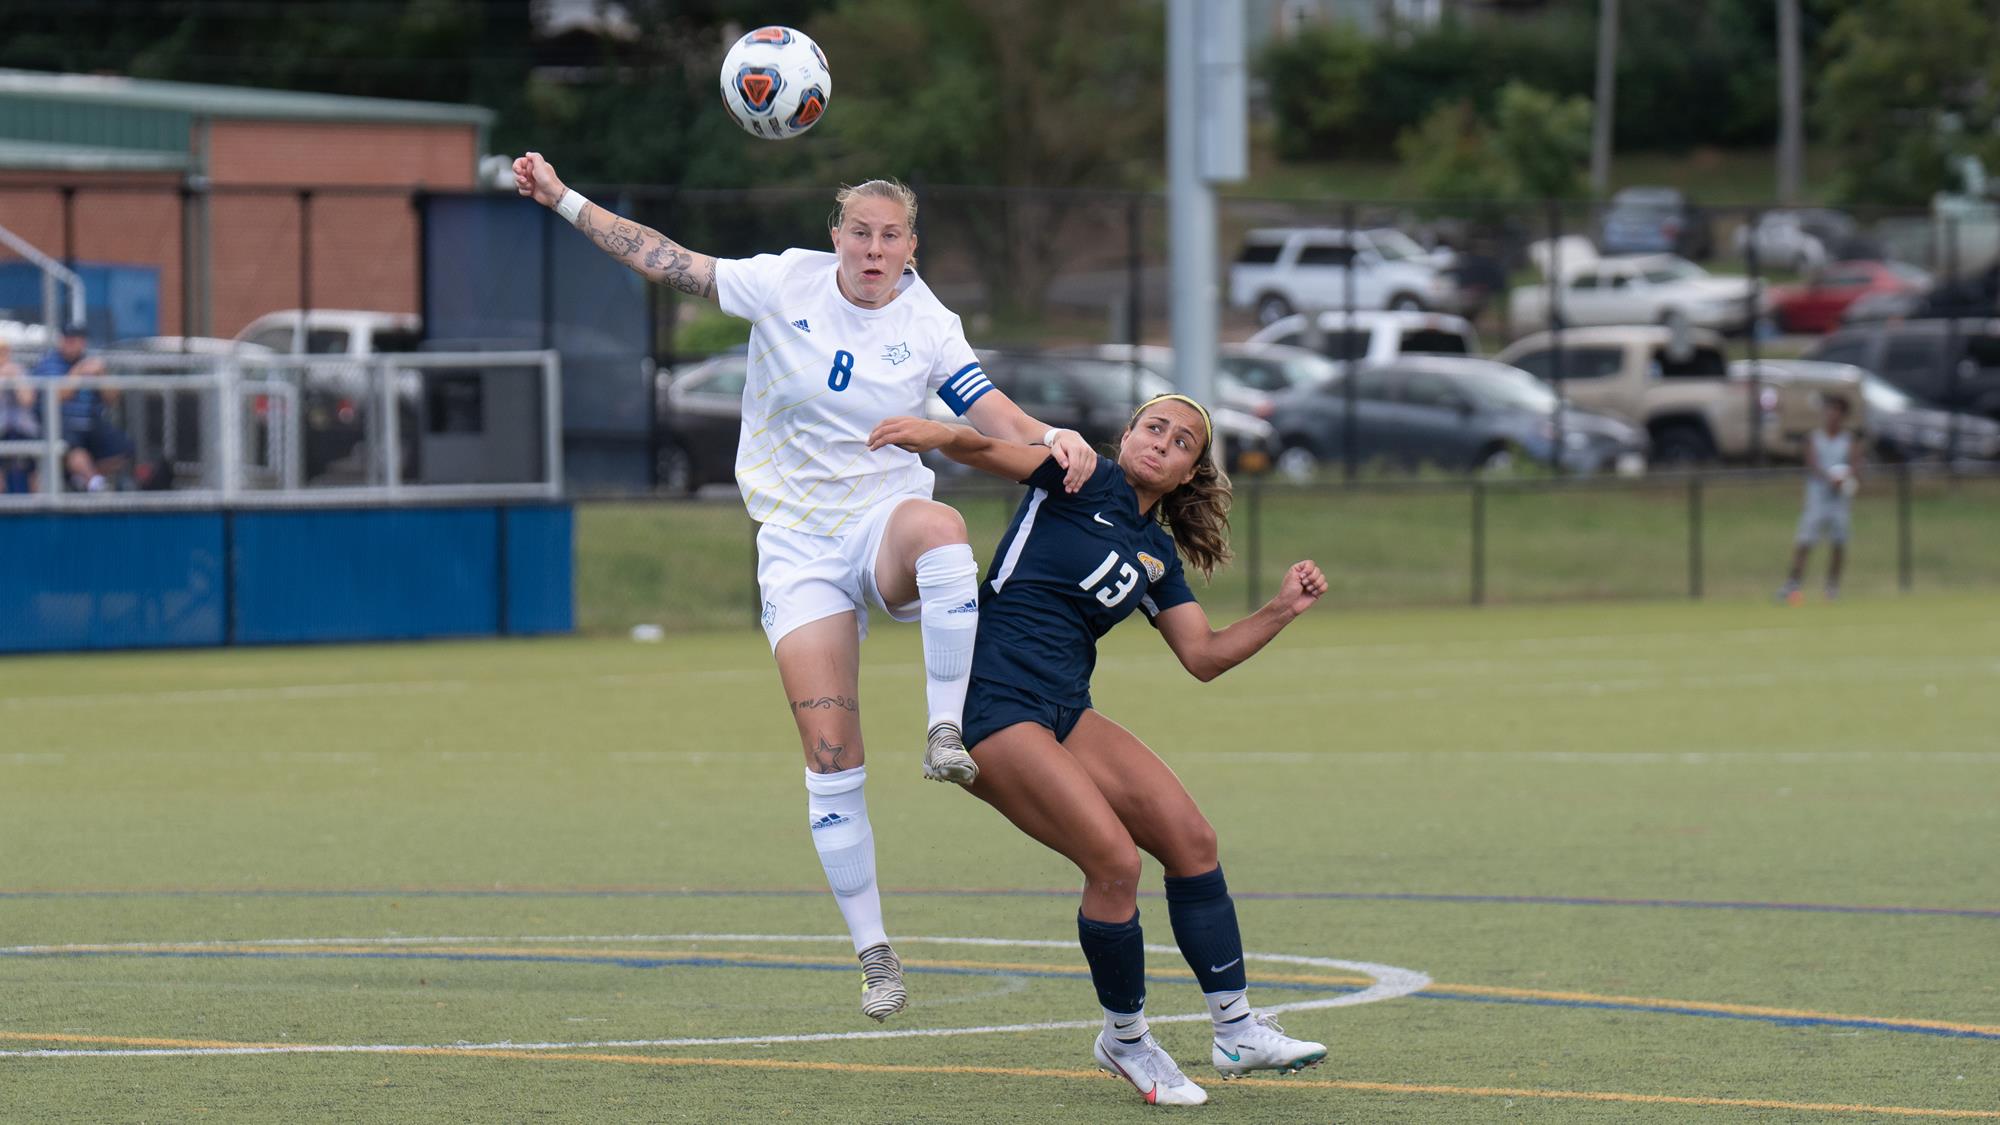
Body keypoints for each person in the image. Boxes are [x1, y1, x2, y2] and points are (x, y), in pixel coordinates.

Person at [511, 152, 1098, 1022]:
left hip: (880, 524)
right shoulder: (784, 282)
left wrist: (1057, 434)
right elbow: (663, 256)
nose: (872, 246)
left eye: (889, 234)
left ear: (910, 248)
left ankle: (945, 728)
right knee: (830, 755)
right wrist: (562, 198)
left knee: (941, 529)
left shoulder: (929, 322)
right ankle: (876, 954)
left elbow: (993, 414)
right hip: (797, 547)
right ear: (835, 240)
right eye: (858, 231)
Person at [868, 395, 1330, 1106]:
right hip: (992, 701)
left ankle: (1235, 1029)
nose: (1163, 443)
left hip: (1064, 706)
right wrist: (934, 434)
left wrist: (1281, 609)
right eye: (1154, 427)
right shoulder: (1084, 475)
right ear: (1128, 434)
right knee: (1113, 862)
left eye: (1181, 442)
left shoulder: (1156, 552)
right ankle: (1125, 1037)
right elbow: (991, 451)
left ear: (1187, 472)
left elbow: (1202, 655)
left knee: (1192, 840)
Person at [1779, 393, 1861, 605]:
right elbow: (1812, 463)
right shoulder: (1814, 437)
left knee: (1838, 543)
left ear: (1842, 415)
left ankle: (1832, 588)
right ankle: (1792, 585)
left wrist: (1845, 478)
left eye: (1836, 411)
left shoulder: (1847, 439)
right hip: (1817, 499)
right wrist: (1830, 478)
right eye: (1829, 410)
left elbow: (1854, 464)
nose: (1832, 415)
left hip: (1839, 502)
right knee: (1805, 542)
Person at [31, 323, 131, 493]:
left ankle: (82, 478)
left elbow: (112, 398)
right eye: (68, 340)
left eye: (76, 340)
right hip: (59, 423)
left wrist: (101, 375)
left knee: (124, 447)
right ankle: (96, 484)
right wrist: (78, 371)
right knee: (74, 449)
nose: (72, 344)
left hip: (91, 421)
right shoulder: (49, 364)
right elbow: (58, 396)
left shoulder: (93, 362)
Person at [0, 339, 39, 493]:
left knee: (33, 473)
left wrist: (15, 379)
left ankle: (38, 513)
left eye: (3, 351)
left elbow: (27, 400)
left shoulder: (18, 371)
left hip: (23, 430)